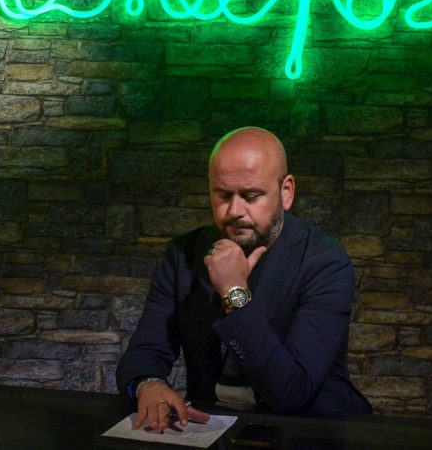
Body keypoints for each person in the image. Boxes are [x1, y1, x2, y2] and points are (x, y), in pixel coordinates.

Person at [116, 127, 370, 433]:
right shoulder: (183, 254)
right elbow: (144, 351)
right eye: (223, 195)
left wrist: (234, 292)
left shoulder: (325, 262)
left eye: (251, 196)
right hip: (212, 428)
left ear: (286, 192)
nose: (235, 211)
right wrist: (148, 384)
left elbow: (292, 393)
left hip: (311, 430)